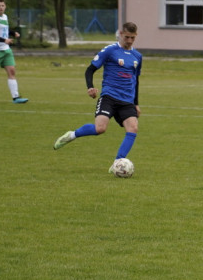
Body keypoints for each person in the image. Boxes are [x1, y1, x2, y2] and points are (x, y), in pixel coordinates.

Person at [53, 22, 143, 173]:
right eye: (127, 37)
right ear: (121, 33)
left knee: (133, 128)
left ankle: (117, 163)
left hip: (127, 100)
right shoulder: (110, 50)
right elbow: (90, 70)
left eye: (132, 38)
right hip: (109, 96)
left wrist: (136, 103)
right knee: (100, 128)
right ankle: (71, 135)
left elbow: (136, 80)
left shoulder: (137, 56)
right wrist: (90, 87)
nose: (129, 41)